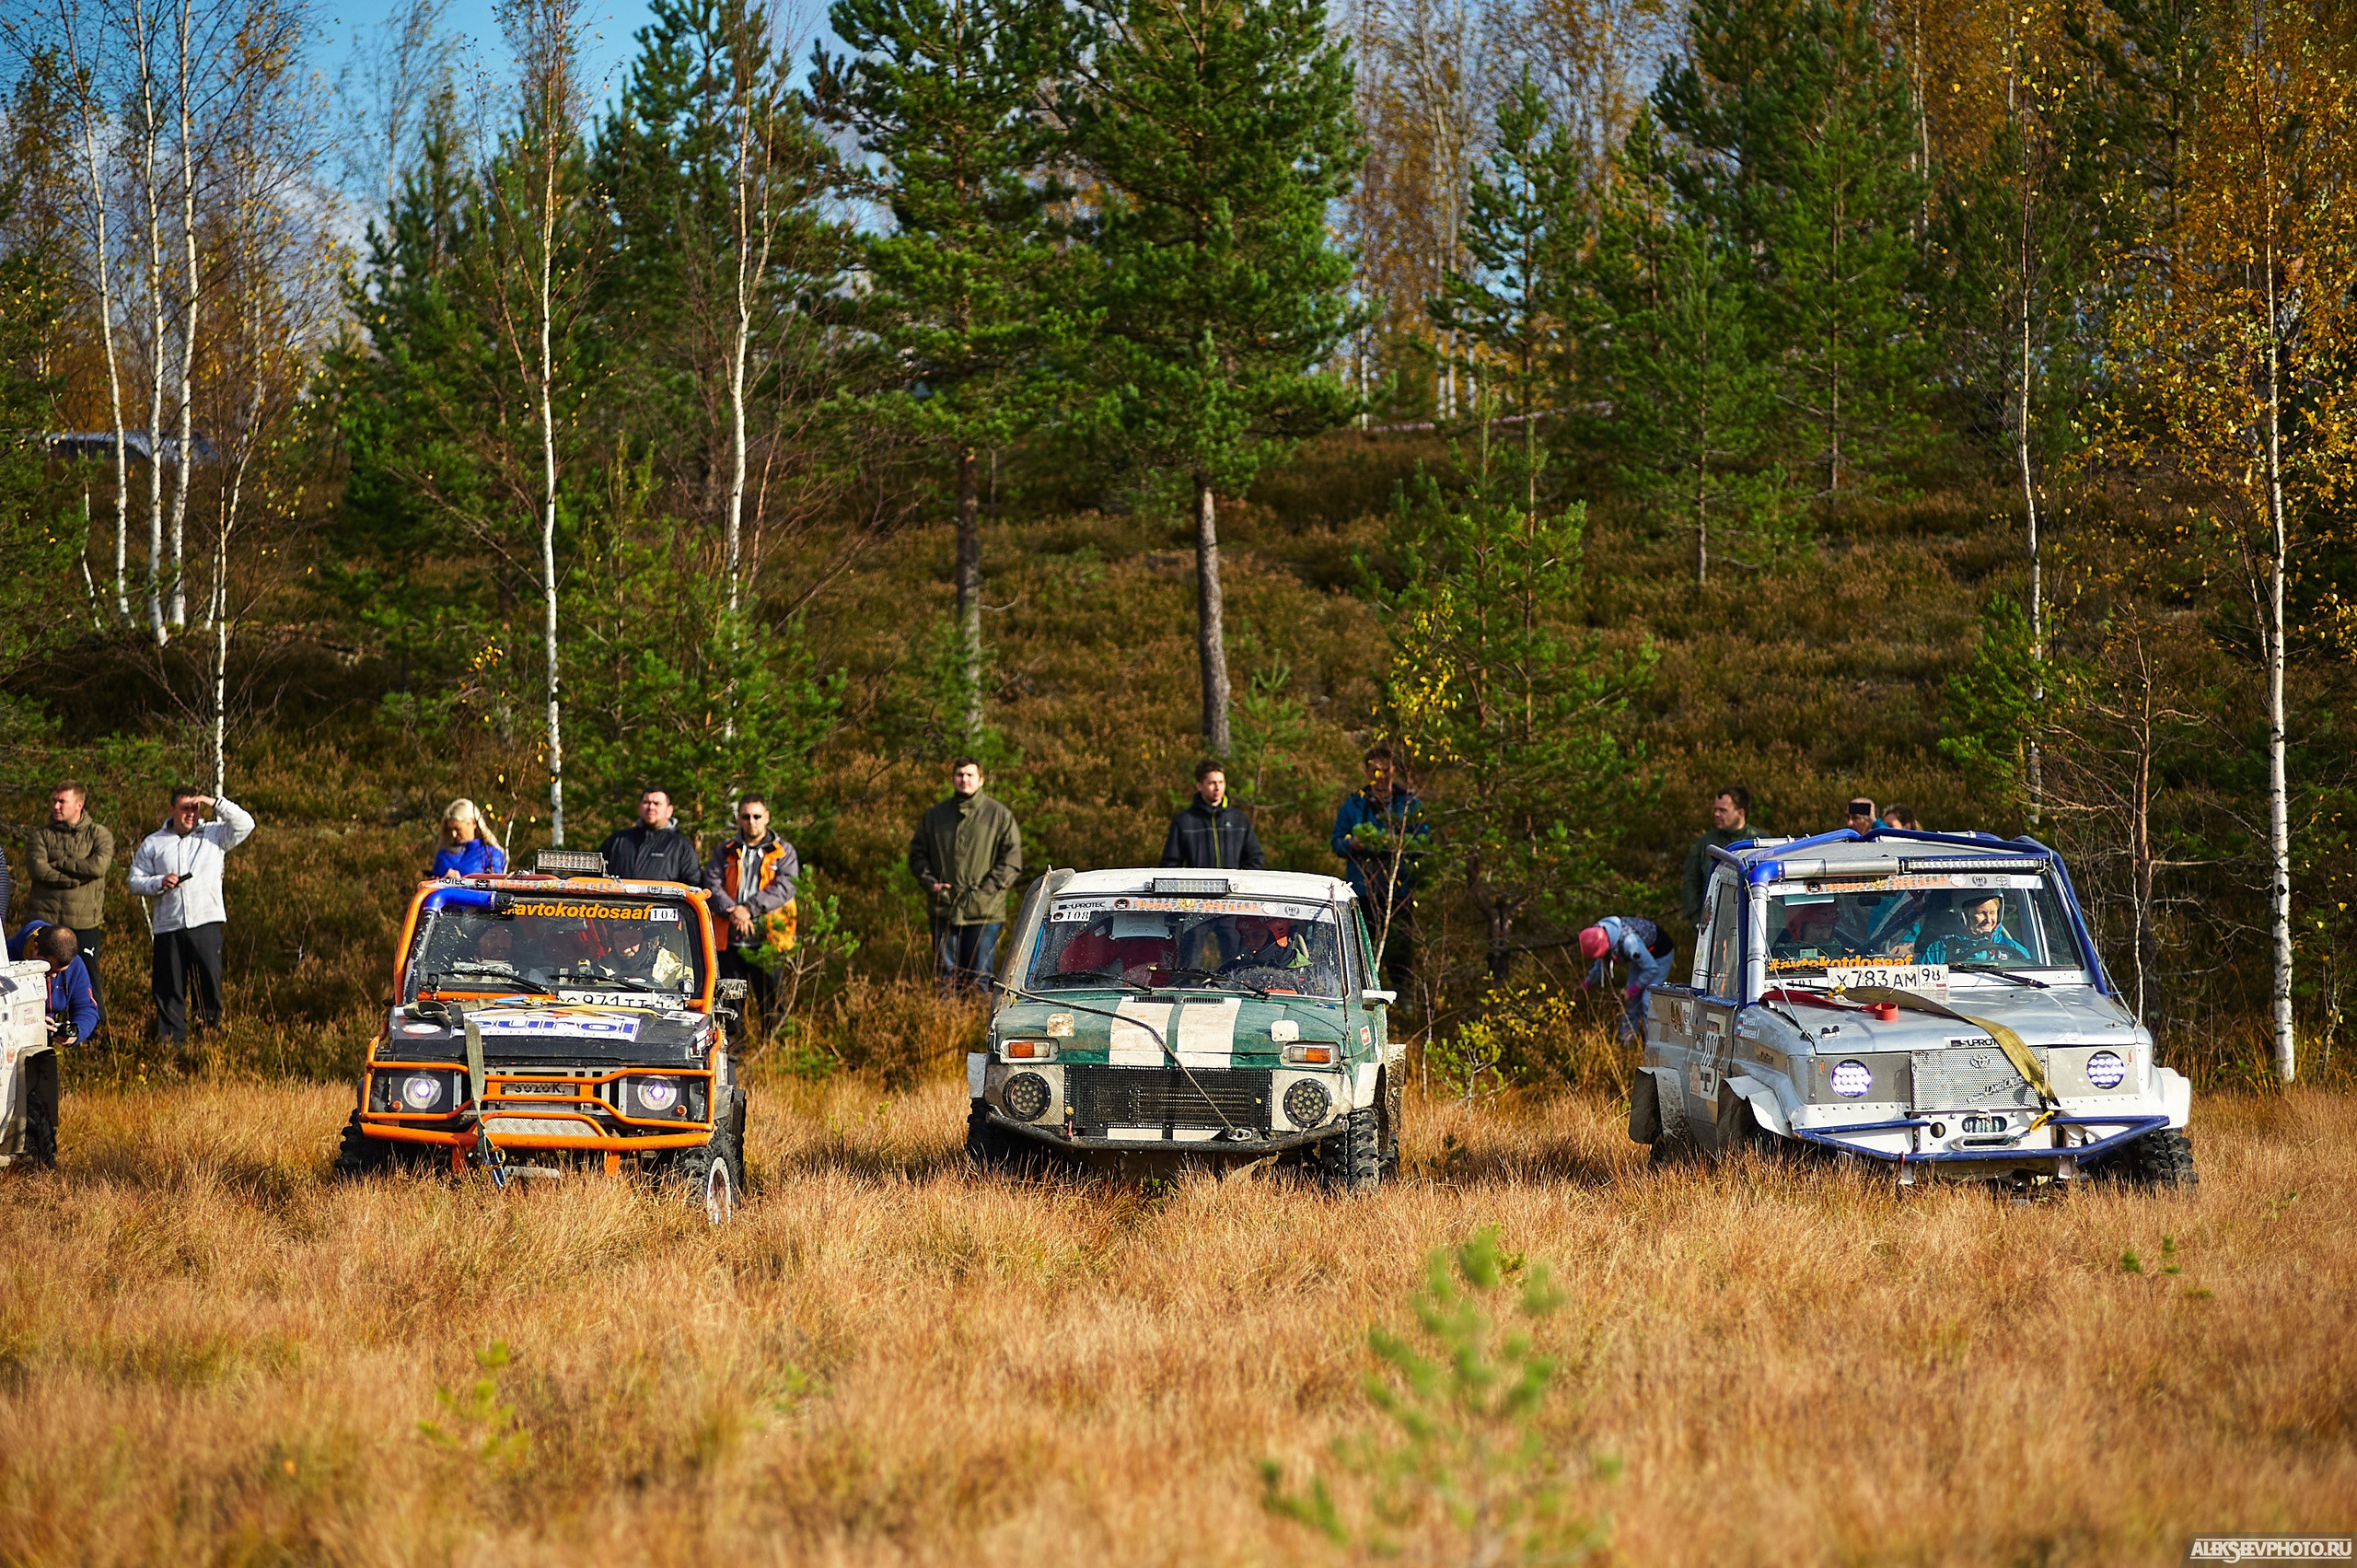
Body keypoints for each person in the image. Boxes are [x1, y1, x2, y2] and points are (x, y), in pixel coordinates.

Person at [127, 787, 256, 1046]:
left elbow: (246, 824)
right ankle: (171, 1046)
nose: (191, 813)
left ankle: (208, 1041)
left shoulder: (215, 834)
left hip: (206, 923)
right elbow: (134, 881)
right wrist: (159, 882)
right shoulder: (154, 842)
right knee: (168, 988)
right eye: (185, 808)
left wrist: (214, 802)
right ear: (172, 809)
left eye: (195, 808)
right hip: (168, 926)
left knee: (207, 984)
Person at [909, 758, 1025, 994]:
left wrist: (986, 889)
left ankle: (976, 1028)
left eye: (970, 775)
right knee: (945, 980)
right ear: (953, 778)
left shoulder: (999, 815)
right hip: (944, 907)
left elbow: (1012, 861)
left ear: (981, 780)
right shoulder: (935, 816)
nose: (964, 779)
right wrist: (932, 885)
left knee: (979, 980)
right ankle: (946, 1028)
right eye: (960, 774)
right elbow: (917, 856)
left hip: (984, 911)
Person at [1331, 745, 1427, 996]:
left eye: (1386, 770)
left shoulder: (1408, 804)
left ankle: (1403, 997)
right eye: (1376, 771)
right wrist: (1353, 844)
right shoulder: (1354, 805)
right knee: (1362, 948)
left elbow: (1424, 842)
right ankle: (1361, 996)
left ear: (1394, 771)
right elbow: (1336, 842)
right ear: (1366, 772)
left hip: (1398, 890)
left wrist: (1399, 845)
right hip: (1362, 889)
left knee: (1401, 948)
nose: (1382, 776)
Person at [25, 780, 114, 1025]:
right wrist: (77, 879)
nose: (55, 806)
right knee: (34, 976)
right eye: (54, 800)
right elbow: (39, 870)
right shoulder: (41, 835)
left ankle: (91, 1030)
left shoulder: (99, 834)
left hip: (83, 922)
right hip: (44, 921)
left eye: (61, 801)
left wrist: (61, 863)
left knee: (88, 978)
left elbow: (98, 866)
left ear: (79, 804)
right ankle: (36, 1027)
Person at [704, 796, 799, 1025]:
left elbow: (785, 887)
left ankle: (772, 1054)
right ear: (738, 818)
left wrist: (749, 909)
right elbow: (711, 884)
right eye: (746, 816)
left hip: (769, 940)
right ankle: (734, 1055)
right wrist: (733, 912)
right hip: (730, 941)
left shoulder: (783, 851)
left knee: (773, 1006)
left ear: (766, 817)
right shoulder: (725, 850)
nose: (751, 821)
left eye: (757, 816)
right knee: (729, 1009)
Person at [1579, 916, 1676, 1040]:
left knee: (1648, 1002)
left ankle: (1654, 1046)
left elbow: (1652, 968)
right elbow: (1600, 965)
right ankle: (1627, 1040)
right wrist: (1587, 983)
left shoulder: (1630, 943)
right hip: (1643, 957)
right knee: (1631, 1000)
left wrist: (1634, 989)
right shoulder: (1600, 934)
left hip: (1660, 955)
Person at [1160, 760, 1265, 870]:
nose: (1217, 787)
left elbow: (1254, 858)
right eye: (1212, 783)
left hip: (1233, 886)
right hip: (1198, 886)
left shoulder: (1239, 820)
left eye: (1221, 782)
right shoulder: (1184, 822)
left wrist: (1241, 882)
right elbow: (1170, 864)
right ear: (1199, 786)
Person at [1680, 784, 1752, 925]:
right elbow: (1690, 881)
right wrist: (1697, 920)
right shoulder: (1706, 843)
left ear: (1740, 813)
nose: (1716, 814)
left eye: (1723, 810)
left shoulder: (1759, 842)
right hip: (1712, 926)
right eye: (1715, 809)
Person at [600, 788, 702, 885]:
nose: (650, 807)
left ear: (669, 810)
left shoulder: (680, 846)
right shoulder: (617, 840)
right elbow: (593, 874)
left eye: (657, 804)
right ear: (639, 807)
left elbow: (694, 884)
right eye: (646, 802)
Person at [1918, 892, 2033, 965]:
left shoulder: (2015, 950)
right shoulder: (1938, 951)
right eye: (1981, 913)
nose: (1988, 920)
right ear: (1962, 916)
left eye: (1993, 913)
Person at [432, 799, 507, 878]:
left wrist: (459, 883)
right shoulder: (443, 856)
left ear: (473, 823)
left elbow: (495, 885)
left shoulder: (490, 854)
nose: (454, 835)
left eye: (458, 829)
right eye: (450, 830)